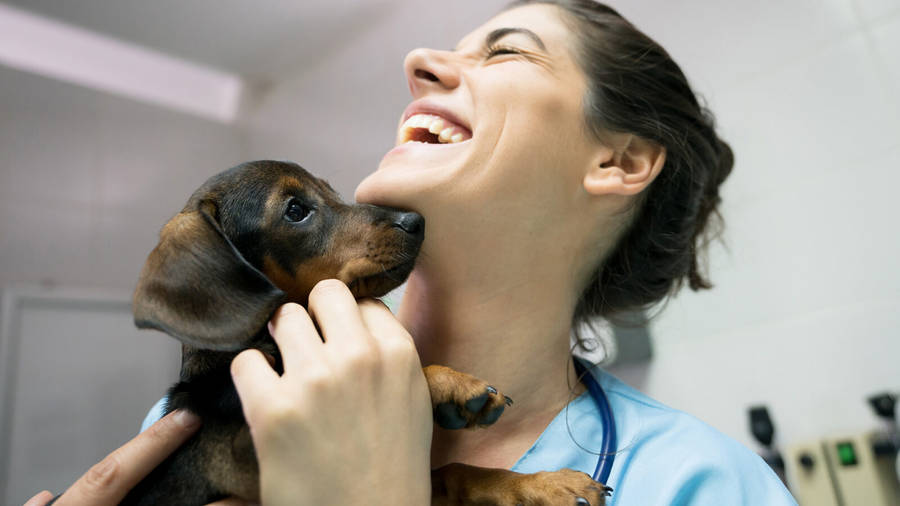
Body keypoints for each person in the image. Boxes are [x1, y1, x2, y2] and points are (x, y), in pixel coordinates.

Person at [28, 1, 798, 504]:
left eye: (507, 54)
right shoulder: (185, 421)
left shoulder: (707, 484)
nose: (419, 62)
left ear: (618, 162)